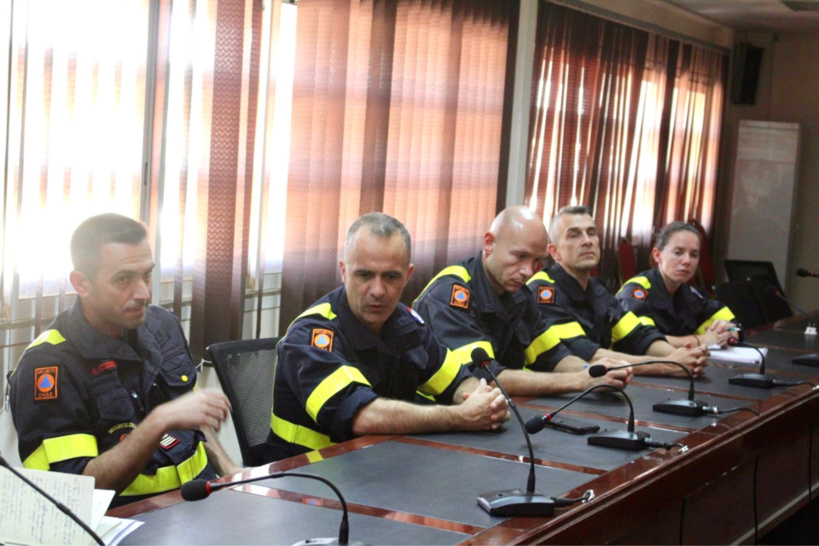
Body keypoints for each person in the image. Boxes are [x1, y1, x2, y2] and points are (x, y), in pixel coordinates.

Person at [9, 213, 240, 507]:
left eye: (146, 275)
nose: (143, 293)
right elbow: (73, 492)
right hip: (126, 519)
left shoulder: (161, 325)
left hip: (201, 500)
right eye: (123, 280)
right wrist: (158, 422)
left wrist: (230, 472)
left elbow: (192, 416)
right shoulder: (49, 366)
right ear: (82, 284)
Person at [264, 213, 509, 462]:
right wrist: (462, 417)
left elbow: (456, 380)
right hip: (307, 476)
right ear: (343, 271)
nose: (378, 291)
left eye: (391, 277)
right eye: (364, 275)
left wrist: (482, 400)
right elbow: (362, 416)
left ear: (408, 275)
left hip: (381, 466)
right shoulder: (311, 335)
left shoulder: (407, 323)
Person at [412, 206, 632, 396]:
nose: (528, 271)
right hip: (440, 421)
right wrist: (581, 381)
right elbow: (485, 378)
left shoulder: (518, 294)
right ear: (489, 243)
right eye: (519, 256)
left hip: (499, 412)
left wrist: (595, 370)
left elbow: (555, 356)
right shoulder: (450, 294)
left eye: (536, 261)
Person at [527, 206, 709, 378]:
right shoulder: (543, 291)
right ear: (555, 252)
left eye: (591, 233)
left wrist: (683, 357)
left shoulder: (597, 289)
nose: (587, 241)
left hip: (597, 385)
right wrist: (668, 364)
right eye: (574, 235)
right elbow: (584, 353)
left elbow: (638, 336)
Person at [616, 221, 738, 348]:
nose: (687, 261)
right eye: (678, 252)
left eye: (694, 255)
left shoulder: (687, 292)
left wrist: (728, 333)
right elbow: (641, 339)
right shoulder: (636, 290)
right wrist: (700, 340)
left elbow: (727, 319)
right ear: (657, 255)